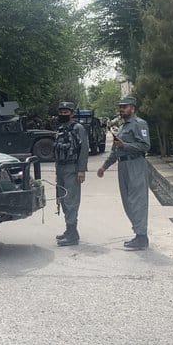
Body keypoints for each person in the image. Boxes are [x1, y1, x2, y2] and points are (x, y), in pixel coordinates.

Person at [97, 97, 151, 250]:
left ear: (132, 108)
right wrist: (104, 167)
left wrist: (125, 145)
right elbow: (116, 150)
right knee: (128, 202)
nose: (121, 109)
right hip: (123, 166)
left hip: (135, 164)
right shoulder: (122, 127)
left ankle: (142, 237)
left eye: (124, 107)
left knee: (137, 201)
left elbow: (145, 146)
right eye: (120, 107)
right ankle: (138, 233)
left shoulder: (139, 124)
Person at [53, 102, 89, 246]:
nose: (63, 114)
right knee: (63, 199)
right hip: (61, 168)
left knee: (71, 201)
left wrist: (81, 170)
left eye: (66, 112)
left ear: (72, 113)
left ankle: (72, 235)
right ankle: (70, 230)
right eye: (61, 111)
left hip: (72, 168)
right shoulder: (60, 128)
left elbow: (84, 149)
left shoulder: (78, 128)